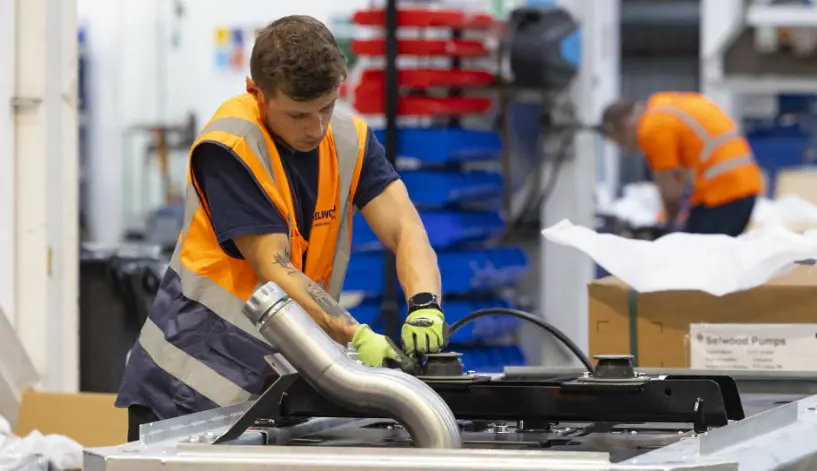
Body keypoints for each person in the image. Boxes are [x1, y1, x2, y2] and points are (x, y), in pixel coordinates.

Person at [116, 15, 447, 441]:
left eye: (327, 107)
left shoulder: (349, 138)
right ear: (258, 93)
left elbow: (405, 227)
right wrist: (355, 335)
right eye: (298, 114)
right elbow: (273, 266)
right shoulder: (231, 145)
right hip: (186, 394)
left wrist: (424, 305)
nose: (317, 128)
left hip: (272, 390)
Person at [601, 92, 764, 236]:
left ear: (625, 125)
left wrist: (667, 226)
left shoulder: (652, 127)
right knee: (711, 259)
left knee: (692, 258)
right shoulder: (667, 107)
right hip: (743, 188)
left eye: (621, 142)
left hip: (722, 194)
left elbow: (670, 191)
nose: (628, 150)